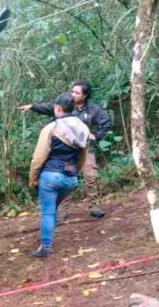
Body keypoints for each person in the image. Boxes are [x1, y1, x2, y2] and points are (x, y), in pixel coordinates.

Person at [18, 80, 111, 218]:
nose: (73, 94)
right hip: (65, 151)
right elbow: (49, 108)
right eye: (72, 91)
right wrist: (33, 106)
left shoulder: (93, 110)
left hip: (84, 149)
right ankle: (64, 210)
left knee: (91, 175)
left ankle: (94, 206)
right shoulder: (66, 106)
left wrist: (96, 136)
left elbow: (106, 122)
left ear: (84, 95)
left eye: (77, 92)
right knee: (64, 177)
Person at [28, 93, 90, 258]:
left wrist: (33, 179)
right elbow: (83, 156)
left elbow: (38, 158)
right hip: (70, 179)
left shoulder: (51, 128)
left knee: (48, 211)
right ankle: (44, 242)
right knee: (53, 208)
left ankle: (46, 247)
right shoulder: (83, 128)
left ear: (57, 108)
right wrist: (75, 172)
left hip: (51, 177)